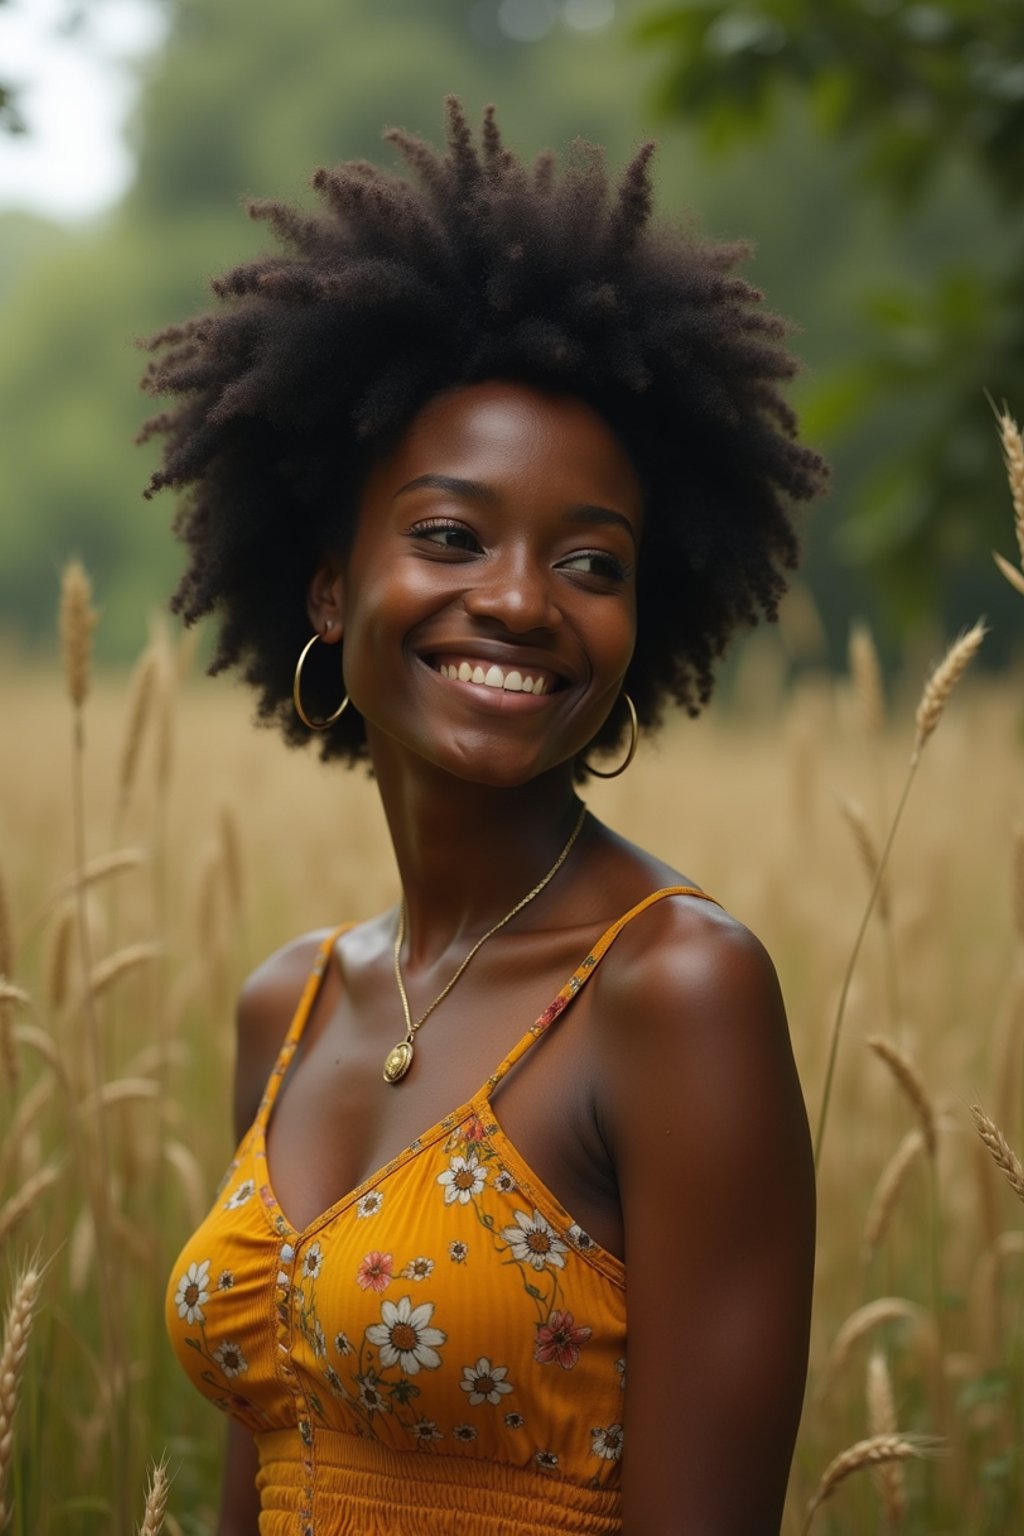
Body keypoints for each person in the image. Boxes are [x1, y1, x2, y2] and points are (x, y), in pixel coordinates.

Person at [147, 100, 823, 1536]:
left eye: (591, 560)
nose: (520, 599)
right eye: (450, 535)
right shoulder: (293, 1001)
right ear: (329, 588)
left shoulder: (676, 988)